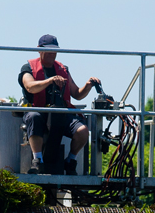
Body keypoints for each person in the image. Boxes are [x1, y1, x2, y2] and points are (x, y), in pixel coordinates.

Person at [18, 34, 100, 175]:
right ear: (39, 49)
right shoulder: (28, 68)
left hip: (60, 113)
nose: (52, 53)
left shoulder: (63, 69)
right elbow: (30, 86)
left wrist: (88, 86)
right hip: (38, 112)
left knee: (82, 131)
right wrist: (50, 80)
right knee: (34, 117)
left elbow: (77, 94)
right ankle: (38, 161)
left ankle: (70, 161)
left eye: (54, 50)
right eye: (48, 50)